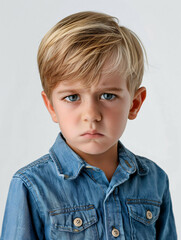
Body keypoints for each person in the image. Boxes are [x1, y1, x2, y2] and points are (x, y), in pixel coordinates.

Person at [1, 11, 177, 240]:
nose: (91, 115)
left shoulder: (155, 180)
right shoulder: (31, 185)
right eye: (72, 97)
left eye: (107, 95)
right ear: (51, 106)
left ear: (134, 103)